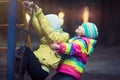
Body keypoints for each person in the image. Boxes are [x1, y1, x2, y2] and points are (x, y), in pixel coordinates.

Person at [15, 1, 69, 80]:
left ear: (51, 25)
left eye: (46, 23)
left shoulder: (63, 36)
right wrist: (32, 13)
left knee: (25, 50)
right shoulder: (46, 36)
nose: (44, 26)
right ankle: (17, 75)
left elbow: (49, 33)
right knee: (23, 52)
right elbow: (39, 28)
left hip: (42, 71)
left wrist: (39, 11)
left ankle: (16, 76)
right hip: (36, 64)